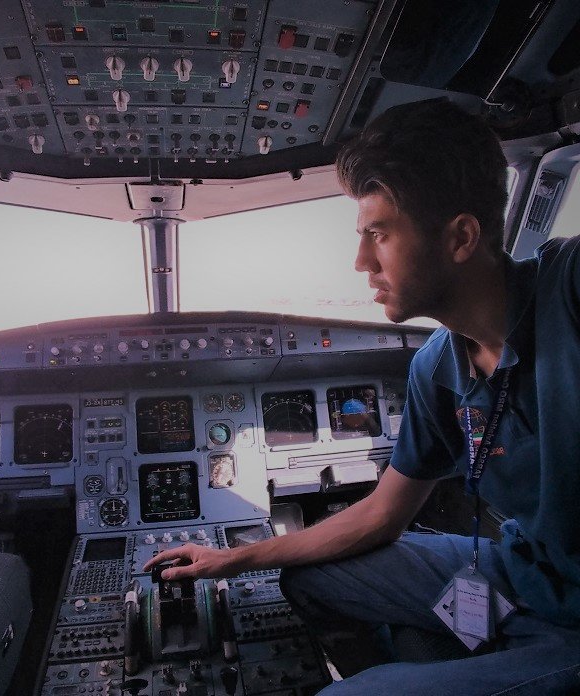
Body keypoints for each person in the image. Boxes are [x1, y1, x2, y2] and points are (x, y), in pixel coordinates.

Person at [144, 99, 580, 694]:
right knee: (306, 576)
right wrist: (235, 559)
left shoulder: (570, 291)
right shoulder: (437, 367)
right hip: (519, 573)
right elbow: (382, 514)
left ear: (460, 237)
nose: (360, 262)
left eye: (379, 234)